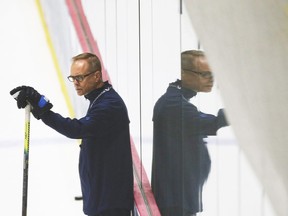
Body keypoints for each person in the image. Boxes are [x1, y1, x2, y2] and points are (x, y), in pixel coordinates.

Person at [10, 52, 134, 216]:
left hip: (109, 204)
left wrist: (43, 109)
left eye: (80, 78)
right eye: (72, 78)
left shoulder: (109, 105)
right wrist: (38, 103)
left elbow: (76, 129)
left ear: (97, 76)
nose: (75, 83)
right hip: (100, 198)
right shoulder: (99, 99)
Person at [151, 50, 228, 216]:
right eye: (205, 74)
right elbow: (213, 123)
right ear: (184, 73)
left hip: (180, 197)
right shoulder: (174, 105)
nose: (211, 79)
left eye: (213, 73)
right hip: (176, 201)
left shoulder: (176, 99)